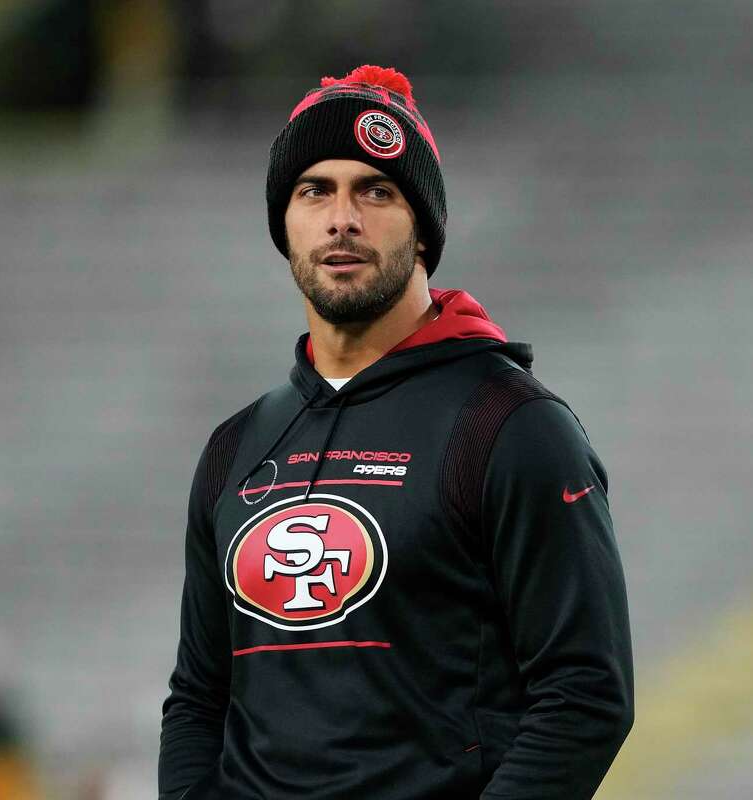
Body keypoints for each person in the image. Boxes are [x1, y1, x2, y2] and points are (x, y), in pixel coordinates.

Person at [157, 64, 634, 799]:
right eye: (315, 190)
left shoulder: (510, 427)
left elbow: (585, 696)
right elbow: (197, 696)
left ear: (423, 230)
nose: (341, 218)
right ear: (285, 225)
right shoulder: (237, 448)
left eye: (375, 190)